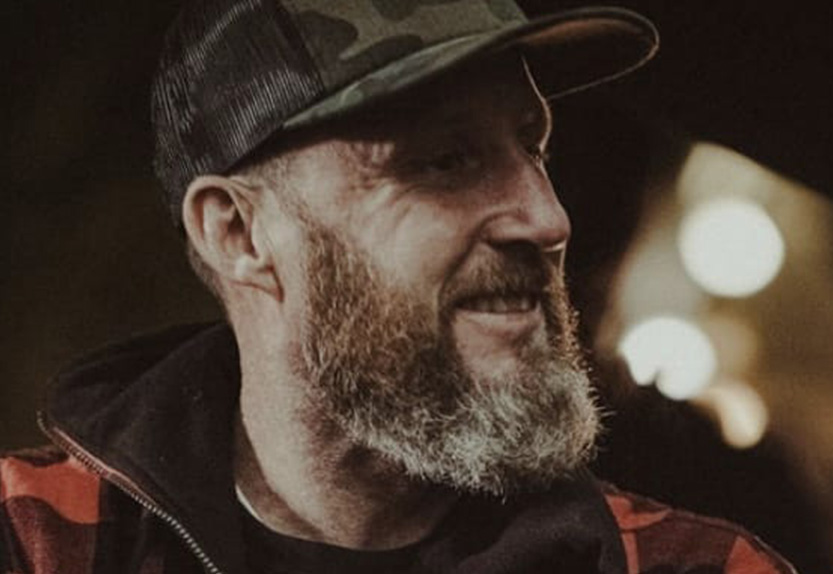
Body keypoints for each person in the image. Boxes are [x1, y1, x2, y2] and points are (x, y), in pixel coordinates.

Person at [0, 1, 797, 573]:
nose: (546, 219)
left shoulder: (690, 566)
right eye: (444, 161)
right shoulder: (37, 542)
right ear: (238, 234)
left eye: (534, 148)